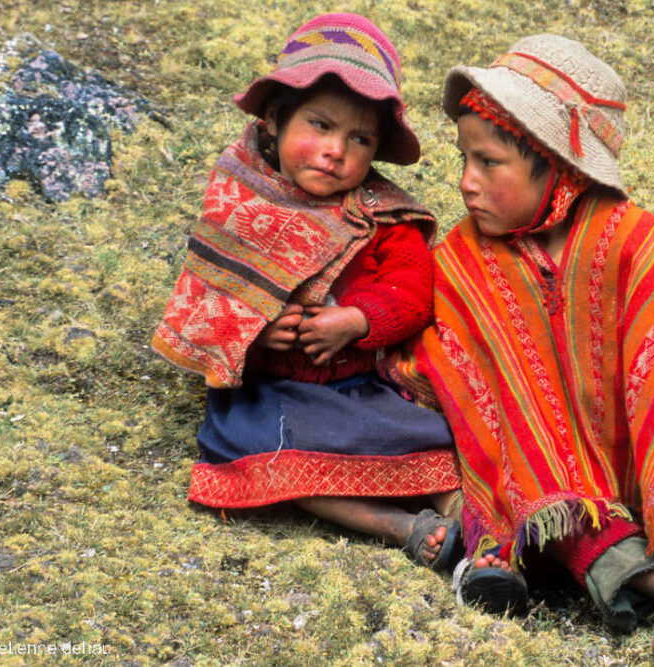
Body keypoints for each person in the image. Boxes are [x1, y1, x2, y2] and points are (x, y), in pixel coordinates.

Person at [381, 34, 654, 664]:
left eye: (489, 164)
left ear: (558, 167)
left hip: (650, 438)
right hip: (566, 466)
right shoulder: (462, 261)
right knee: (536, 495)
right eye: (464, 160)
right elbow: (463, 373)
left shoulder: (622, 233)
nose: (466, 183)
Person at [152, 13, 462, 571]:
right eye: (319, 125)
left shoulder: (384, 219)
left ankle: (461, 512)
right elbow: (213, 298)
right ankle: (402, 527)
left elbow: (415, 292)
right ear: (275, 117)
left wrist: (359, 321)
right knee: (260, 452)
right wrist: (259, 330)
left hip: (362, 388)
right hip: (275, 396)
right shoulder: (241, 203)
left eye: (359, 138)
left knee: (435, 440)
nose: (335, 150)